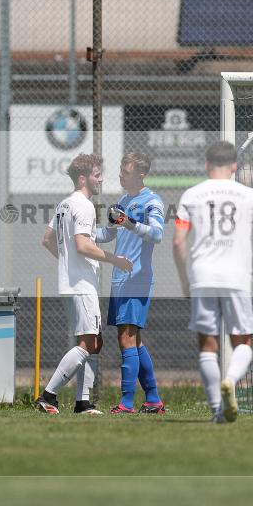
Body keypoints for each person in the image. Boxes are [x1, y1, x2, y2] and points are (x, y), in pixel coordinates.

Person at [173, 141, 253, 423]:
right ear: (234, 166)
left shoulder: (192, 195)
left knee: (207, 345)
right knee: (243, 340)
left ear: (206, 165)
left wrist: (185, 280)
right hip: (236, 276)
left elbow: (178, 241)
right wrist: (252, 266)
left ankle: (217, 409)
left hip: (202, 277)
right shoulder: (249, 194)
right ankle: (230, 379)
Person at [37, 153, 133, 415]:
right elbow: (82, 245)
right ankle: (48, 396)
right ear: (83, 178)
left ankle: (83, 403)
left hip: (72, 282)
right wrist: (116, 260)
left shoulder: (64, 204)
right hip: (81, 285)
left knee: (94, 341)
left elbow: (48, 239)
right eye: (97, 174)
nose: (101, 179)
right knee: (88, 343)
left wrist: (67, 262)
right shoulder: (84, 205)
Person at [94, 152, 166, 414]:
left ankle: (126, 403)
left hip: (137, 279)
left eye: (125, 171)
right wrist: (79, 231)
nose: (121, 175)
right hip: (120, 280)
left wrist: (130, 223)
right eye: (121, 170)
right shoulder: (123, 200)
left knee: (127, 339)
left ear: (140, 174)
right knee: (133, 341)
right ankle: (154, 399)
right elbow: (107, 234)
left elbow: (157, 234)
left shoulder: (152, 201)